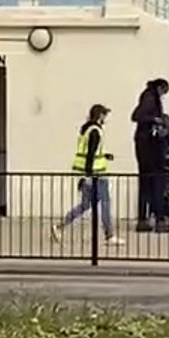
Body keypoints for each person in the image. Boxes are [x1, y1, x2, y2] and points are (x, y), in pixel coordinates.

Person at [51, 104, 125, 245]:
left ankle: (59, 226)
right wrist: (89, 174)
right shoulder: (96, 131)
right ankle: (109, 235)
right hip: (97, 174)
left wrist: (104, 156)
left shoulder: (85, 129)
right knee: (105, 202)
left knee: (85, 204)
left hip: (85, 173)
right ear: (100, 116)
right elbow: (91, 154)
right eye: (105, 115)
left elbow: (89, 151)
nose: (106, 119)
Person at [131, 78, 169, 233]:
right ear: (160, 87)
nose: (164, 95)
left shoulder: (148, 96)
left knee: (145, 183)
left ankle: (143, 219)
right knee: (156, 182)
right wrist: (156, 119)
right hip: (150, 146)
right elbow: (136, 115)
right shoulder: (150, 98)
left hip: (143, 145)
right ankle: (159, 219)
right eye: (164, 91)